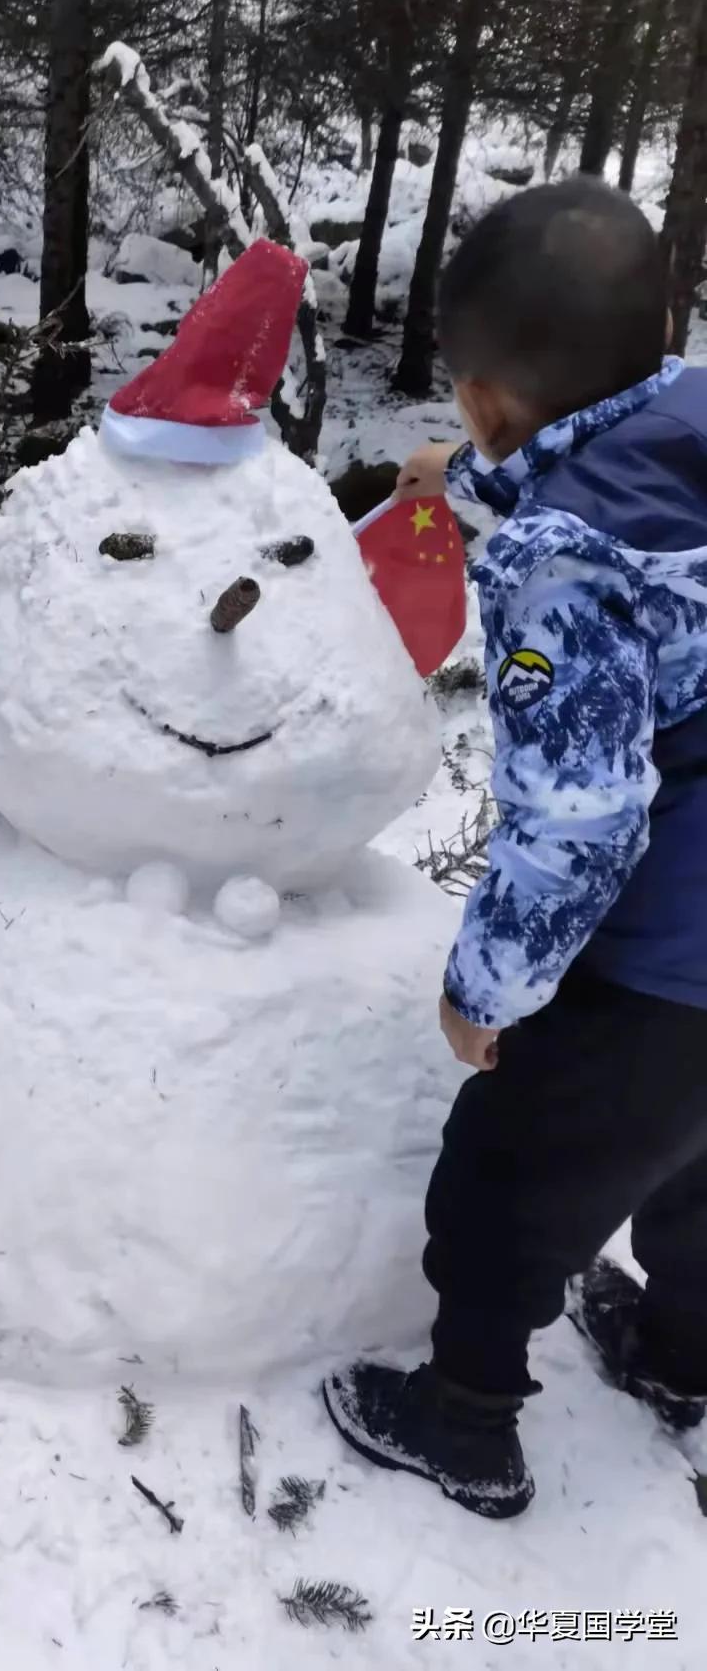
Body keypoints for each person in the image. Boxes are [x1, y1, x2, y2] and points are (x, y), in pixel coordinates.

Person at [322, 177, 707, 1518]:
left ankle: (465, 1420)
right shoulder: (688, 412)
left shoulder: (559, 570)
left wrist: (486, 987)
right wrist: (478, 473)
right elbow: (628, 500)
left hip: (662, 961)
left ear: (483, 396)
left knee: (508, 1175)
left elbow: (577, 820)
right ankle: (679, 1351)